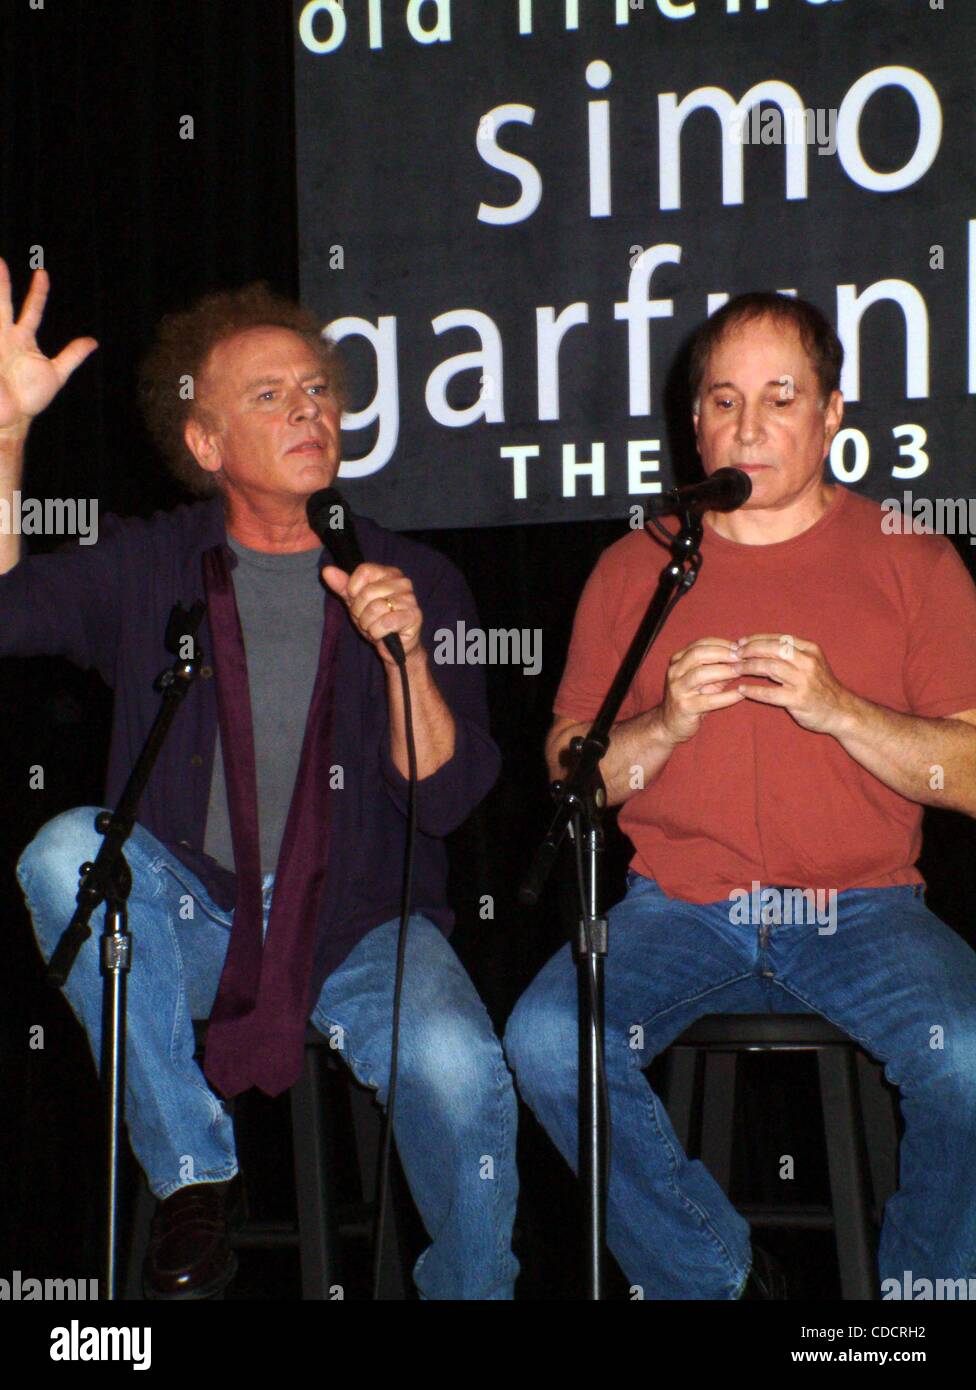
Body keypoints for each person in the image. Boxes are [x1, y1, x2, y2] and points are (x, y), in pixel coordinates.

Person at [1, 260, 518, 1300]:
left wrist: (405, 653)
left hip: (365, 923)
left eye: (318, 389)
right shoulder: (151, 564)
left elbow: (449, 796)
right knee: (63, 853)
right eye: (269, 396)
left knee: (464, 1078)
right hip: (200, 909)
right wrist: (7, 434)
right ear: (205, 443)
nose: (306, 409)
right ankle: (196, 1170)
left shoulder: (415, 574)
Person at [505, 291, 976, 1300]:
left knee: (972, 1058)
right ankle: (719, 1280)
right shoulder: (640, 566)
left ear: (833, 413)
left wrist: (841, 708)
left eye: (780, 399)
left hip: (865, 908)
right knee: (546, 1040)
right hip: (678, 909)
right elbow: (568, 765)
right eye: (725, 402)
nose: (750, 428)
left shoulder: (912, 558)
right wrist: (666, 725)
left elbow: (971, 773)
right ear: (694, 422)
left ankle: (916, 1307)